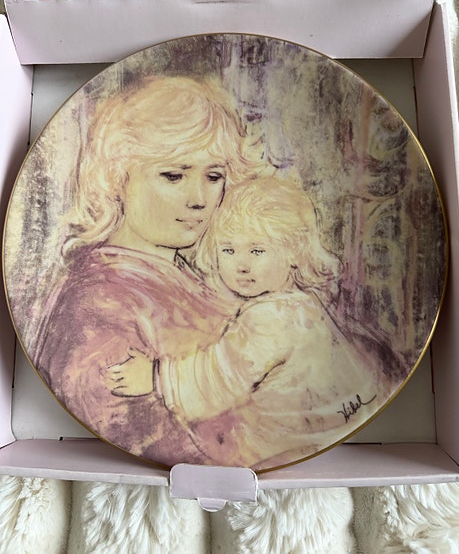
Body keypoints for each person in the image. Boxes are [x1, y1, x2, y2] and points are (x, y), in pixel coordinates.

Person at [33, 75, 257, 465]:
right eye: (174, 175)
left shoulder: (188, 276)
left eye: (213, 177)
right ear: (118, 178)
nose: (199, 199)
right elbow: (134, 433)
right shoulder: (98, 303)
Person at [109, 175, 397, 469]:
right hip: (318, 435)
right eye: (228, 250)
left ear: (293, 252)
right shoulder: (302, 304)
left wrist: (156, 377)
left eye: (257, 251)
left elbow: (221, 376)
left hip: (282, 444)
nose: (241, 265)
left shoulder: (271, 317)